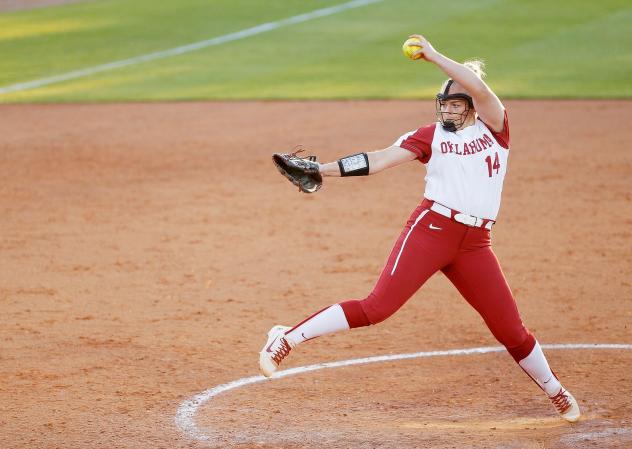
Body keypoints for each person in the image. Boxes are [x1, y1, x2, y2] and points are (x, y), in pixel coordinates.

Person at [259, 35, 580, 422]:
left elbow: (479, 87)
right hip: (431, 230)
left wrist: (433, 56)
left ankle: (556, 391)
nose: (447, 111)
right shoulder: (430, 136)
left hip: (476, 245)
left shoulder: (495, 129)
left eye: (456, 104)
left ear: (473, 106)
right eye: (444, 104)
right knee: (377, 308)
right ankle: (286, 339)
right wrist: (322, 169)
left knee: (511, 330)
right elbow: (378, 160)